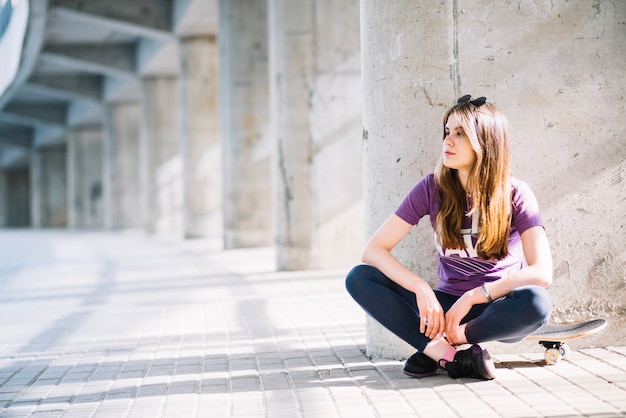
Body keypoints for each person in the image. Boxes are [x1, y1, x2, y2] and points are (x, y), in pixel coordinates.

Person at [345, 95, 554, 380]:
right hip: (443, 308)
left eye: (460, 134)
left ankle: (444, 345)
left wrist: (473, 297)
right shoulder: (431, 188)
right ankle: (450, 357)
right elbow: (374, 250)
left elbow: (541, 272)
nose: (447, 141)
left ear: (486, 142)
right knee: (360, 277)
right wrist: (421, 288)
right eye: (447, 131)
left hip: (493, 311)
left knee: (537, 302)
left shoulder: (516, 193)